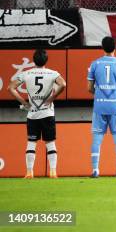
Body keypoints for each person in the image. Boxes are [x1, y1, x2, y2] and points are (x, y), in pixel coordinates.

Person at [8, 49, 66, 179]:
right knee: (50, 143)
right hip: (47, 113)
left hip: (32, 114)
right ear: (46, 60)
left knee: (31, 143)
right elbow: (63, 84)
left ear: (34, 60)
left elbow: (10, 87)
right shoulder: (53, 73)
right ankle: (53, 172)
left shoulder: (26, 73)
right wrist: (52, 98)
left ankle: (29, 172)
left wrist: (24, 102)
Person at [88, 36, 116, 178]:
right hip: (115, 106)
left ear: (102, 47)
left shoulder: (95, 64)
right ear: (115, 47)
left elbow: (89, 88)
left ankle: (95, 170)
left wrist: (100, 94)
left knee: (97, 140)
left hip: (99, 106)